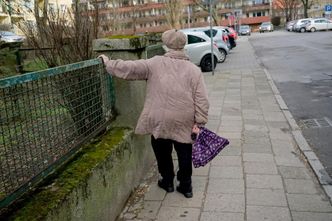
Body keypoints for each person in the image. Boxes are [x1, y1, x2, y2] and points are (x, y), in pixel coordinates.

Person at [99, 29, 209, 198]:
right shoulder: (193, 69)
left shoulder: (154, 63)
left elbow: (130, 68)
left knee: (162, 150)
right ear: (183, 46)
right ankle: (186, 186)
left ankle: (167, 181)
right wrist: (199, 122)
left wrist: (108, 63)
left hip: (159, 117)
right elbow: (202, 99)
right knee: (184, 150)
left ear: (166, 45)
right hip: (184, 118)